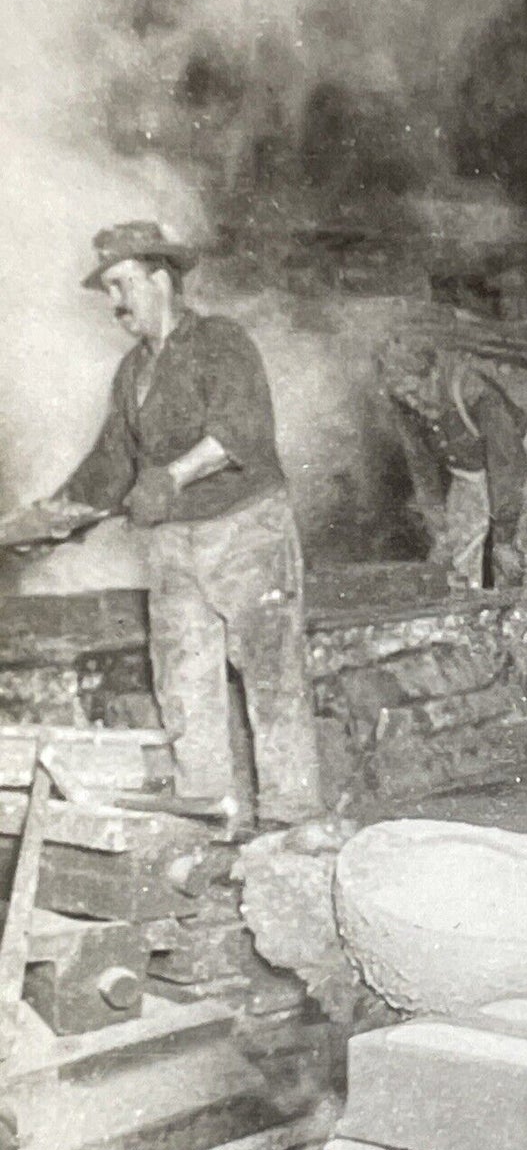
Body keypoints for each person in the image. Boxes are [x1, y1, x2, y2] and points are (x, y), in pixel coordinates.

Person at [33, 221, 322, 824]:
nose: (115, 304)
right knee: (183, 677)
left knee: (270, 673)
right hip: (172, 544)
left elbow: (238, 430)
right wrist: (50, 519)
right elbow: (111, 464)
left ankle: (291, 820)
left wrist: (170, 477)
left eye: (122, 285)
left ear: (160, 278)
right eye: (108, 289)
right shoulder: (131, 372)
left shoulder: (222, 342)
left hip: (245, 530)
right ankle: (206, 812)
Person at [380, 339, 527, 606]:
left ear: (432, 374)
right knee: (457, 557)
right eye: (403, 397)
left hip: (516, 463)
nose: (412, 403)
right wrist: (437, 524)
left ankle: (515, 634)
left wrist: (504, 538)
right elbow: (421, 465)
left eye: (414, 392)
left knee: (513, 559)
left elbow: (507, 465)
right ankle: (464, 631)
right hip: (468, 470)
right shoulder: (406, 404)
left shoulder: (474, 391)